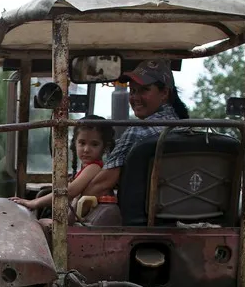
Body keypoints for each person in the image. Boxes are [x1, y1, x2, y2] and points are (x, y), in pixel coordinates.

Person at [82, 59, 191, 200]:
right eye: (132, 91)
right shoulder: (186, 128)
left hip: (139, 216)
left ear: (164, 93)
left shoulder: (138, 131)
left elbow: (99, 186)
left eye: (144, 89)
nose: (135, 98)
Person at [9, 114, 116, 229]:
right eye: (82, 143)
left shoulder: (94, 167)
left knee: (37, 226)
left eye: (94, 144)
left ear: (104, 147)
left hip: (79, 224)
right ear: (75, 143)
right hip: (75, 220)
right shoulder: (86, 168)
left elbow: (70, 191)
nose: (86, 149)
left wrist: (34, 203)